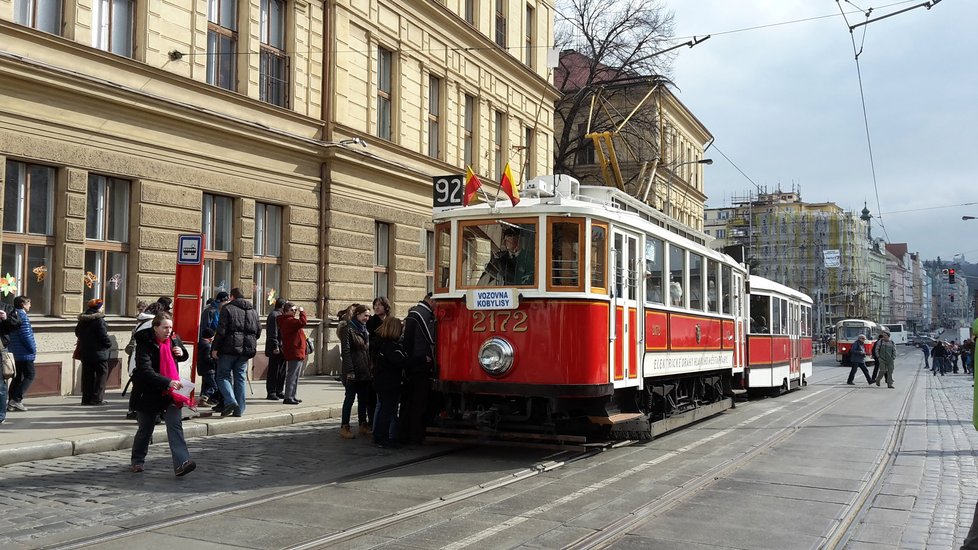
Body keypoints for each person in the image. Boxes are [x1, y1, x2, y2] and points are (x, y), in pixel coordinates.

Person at [129, 311, 196, 476]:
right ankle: (137, 460)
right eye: (165, 327)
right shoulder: (145, 343)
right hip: (148, 391)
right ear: (155, 327)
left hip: (171, 392)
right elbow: (145, 370)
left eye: (171, 327)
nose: (169, 330)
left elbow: (182, 354)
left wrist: (181, 353)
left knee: (175, 426)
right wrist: (166, 382)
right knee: (146, 428)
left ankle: (182, 463)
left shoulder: (173, 338)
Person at [211, 287, 262, 417]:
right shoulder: (253, 311)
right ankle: (239, 410)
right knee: (240, 378)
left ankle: (231, 400)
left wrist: (215, 348)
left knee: (222, 376)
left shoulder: (227, 309)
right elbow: (258, 331)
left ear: (231, 297)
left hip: (229, 349)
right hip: (246, 351)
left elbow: (221, 331)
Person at [399, 293, 436, 445]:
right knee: (418, 403)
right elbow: (430, 340)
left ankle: (405, 434)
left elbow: (407, 343)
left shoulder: (414, 313)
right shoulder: (425, 315)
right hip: (421, 365)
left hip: (412, 365)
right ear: (431, 300)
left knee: (409, 402)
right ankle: (415, 435)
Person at [371, 316, 407, 448]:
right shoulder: (391, 347)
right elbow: (401, 362)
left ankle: (379, 436)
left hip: (382, 383)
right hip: (389, 384)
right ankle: (381, 437)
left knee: (383, 410)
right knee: (386, 411)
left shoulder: (384, 344)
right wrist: (419, 360)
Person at [340, 304, 373, 438]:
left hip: (364, 370)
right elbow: (346, 351)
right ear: (358, 314)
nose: (367, 318)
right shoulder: (348, 329)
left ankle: (362, 425)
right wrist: (350, 371)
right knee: (350, 398)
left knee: (363, 399)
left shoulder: (364, 329)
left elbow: (367, 350)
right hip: (353, 370)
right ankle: (345, 427)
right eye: (365, 315)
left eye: (368, 316)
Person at [75, 298, 113, 405]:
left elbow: (77, 332)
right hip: (98, 352)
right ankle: (96, 399)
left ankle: (86, 399)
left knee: (87, 376)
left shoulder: (83, 319)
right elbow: (102, 335)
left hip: (85, 352)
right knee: (102, 374)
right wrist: (108, 344)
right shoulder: (99, 320)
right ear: (99, 307)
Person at [7, 296, 37, 412]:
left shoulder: (12, 315)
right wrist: (32, 349)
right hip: (25, 352)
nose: (30, 305)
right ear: (22, 304)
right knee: (30, 375)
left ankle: (11, 402)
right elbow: (26, 335)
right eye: (28, 303)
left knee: (17, 377)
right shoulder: (22, 316)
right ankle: (16, 399)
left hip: (15, 351)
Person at [277, 302, 308, 405]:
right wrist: (302, 312)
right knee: (292, 375)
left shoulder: (289, 321)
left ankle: (292, 395)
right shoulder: (288, 321)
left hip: (297, 350)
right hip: (294, 351)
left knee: (295, 376)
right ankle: (288, 397)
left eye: (295, 310)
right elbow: (303, 322)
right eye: (292, 310)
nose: (295, 312)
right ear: (286, 311)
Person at [0, 303, 23, 424]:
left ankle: (0, 416)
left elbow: (18, 323)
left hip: (0, 351)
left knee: (0, 386)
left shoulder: (5, 307)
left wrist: (5, 318)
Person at [264, 297, 287, 401]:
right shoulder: (274, 315)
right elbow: (273, 333)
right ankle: (271, 392)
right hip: (276, 347)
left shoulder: (281, 315)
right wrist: (275, 346)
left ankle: (279, 390)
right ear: (282, 306)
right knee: (274, 370)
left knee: (282, 370)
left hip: (283, 347)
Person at [197, 328, 221, 407]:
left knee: (205, 385)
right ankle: (204, 399)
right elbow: (207, 358)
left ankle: (202, 401)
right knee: (214, 386)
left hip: (203, 369)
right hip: (209, 370)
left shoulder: (201, 344)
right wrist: (215, 360)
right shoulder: (207, 346)